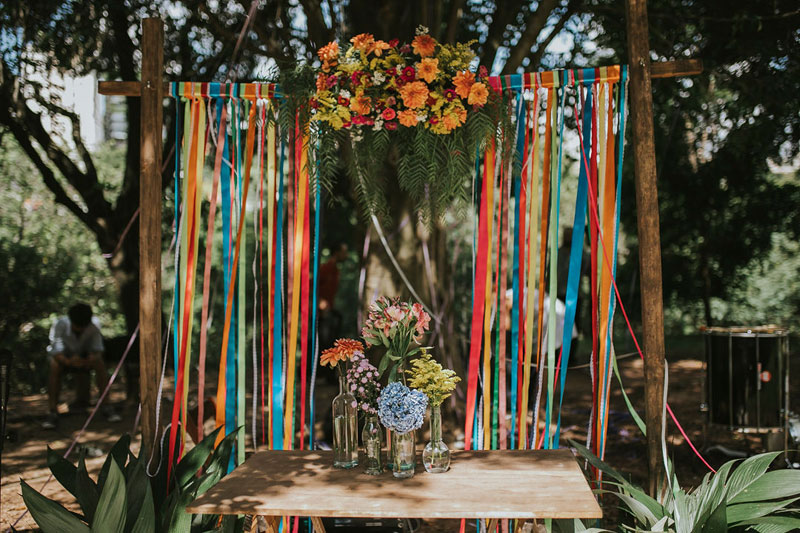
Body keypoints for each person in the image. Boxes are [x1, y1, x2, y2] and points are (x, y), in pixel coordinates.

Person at [42, 303, 121, 429]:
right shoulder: (60, 324)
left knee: (100, 363)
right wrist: (69, 361)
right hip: (65, 359)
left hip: (84, 359)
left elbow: (98, 350)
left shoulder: (94, 326)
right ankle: (52, 411)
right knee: (54, 365)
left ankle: (106, 406)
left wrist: (90, 359)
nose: (80, 330)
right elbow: (56, 351)